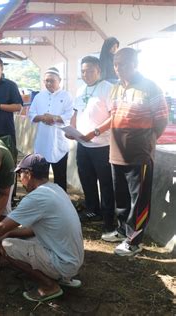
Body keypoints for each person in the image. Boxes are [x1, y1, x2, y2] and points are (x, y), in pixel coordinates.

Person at [0, 154, 84, 302]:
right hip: (74, 260)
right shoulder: (56, 189)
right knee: (15, 238)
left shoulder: (36, 198)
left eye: (20, 174)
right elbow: (32, 231)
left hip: (63, 263)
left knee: (7, 246)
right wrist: (9, 233)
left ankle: (49, 285)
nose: (20, 179)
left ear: (28, 173)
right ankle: (63, 277)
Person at [102, 48, 168, 256]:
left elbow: (161, 121)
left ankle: (134, 241)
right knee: (120, 196)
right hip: (116, 152)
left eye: (123, 64)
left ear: (134, 64)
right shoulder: (114, 89)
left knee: (138, 199)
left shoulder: (151, 88)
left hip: (139, 154)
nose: (118, 68)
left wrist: (145, 141)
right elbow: (112, 116)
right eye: (116, 64)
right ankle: (123, 230)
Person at [71, 56, 115, 234]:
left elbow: (114, 116)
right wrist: (72, 129)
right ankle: (92, 211)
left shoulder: (108, 89)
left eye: (89, 70)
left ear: (99, 71)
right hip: (83, 145)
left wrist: (95, 132)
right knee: (87, 181)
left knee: (105, 184)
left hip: (102, 146)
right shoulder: (80, 90)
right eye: (82, 71)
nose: (85, 74)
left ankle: (108, 219)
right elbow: (76, 113)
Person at [28, 67, 74, 191]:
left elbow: (70, 115)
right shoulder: (39, 96)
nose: (48, 83)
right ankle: (42, 200)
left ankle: (61, 203)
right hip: (42, 143)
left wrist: (54, 118)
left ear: (59, 80)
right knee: (40, 177)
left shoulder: (67, 96)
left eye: (52, 81)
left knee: (60, 178)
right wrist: (42, 117)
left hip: (59, 143)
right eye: (46, 81)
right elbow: (31, 114)